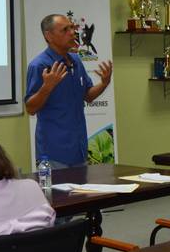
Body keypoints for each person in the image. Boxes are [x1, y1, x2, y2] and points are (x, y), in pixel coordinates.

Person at [25, 13, 113, 167]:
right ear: (49, 36)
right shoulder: (39, 65)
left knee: (81, 191)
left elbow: (88, 95)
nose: (72, 33)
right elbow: (30, 108)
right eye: (65, 30)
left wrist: (104, 83)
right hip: (53, 154)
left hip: (79, 150)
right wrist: (47, 87)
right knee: (57, 192)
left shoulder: (76, 61)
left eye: (72, 28)